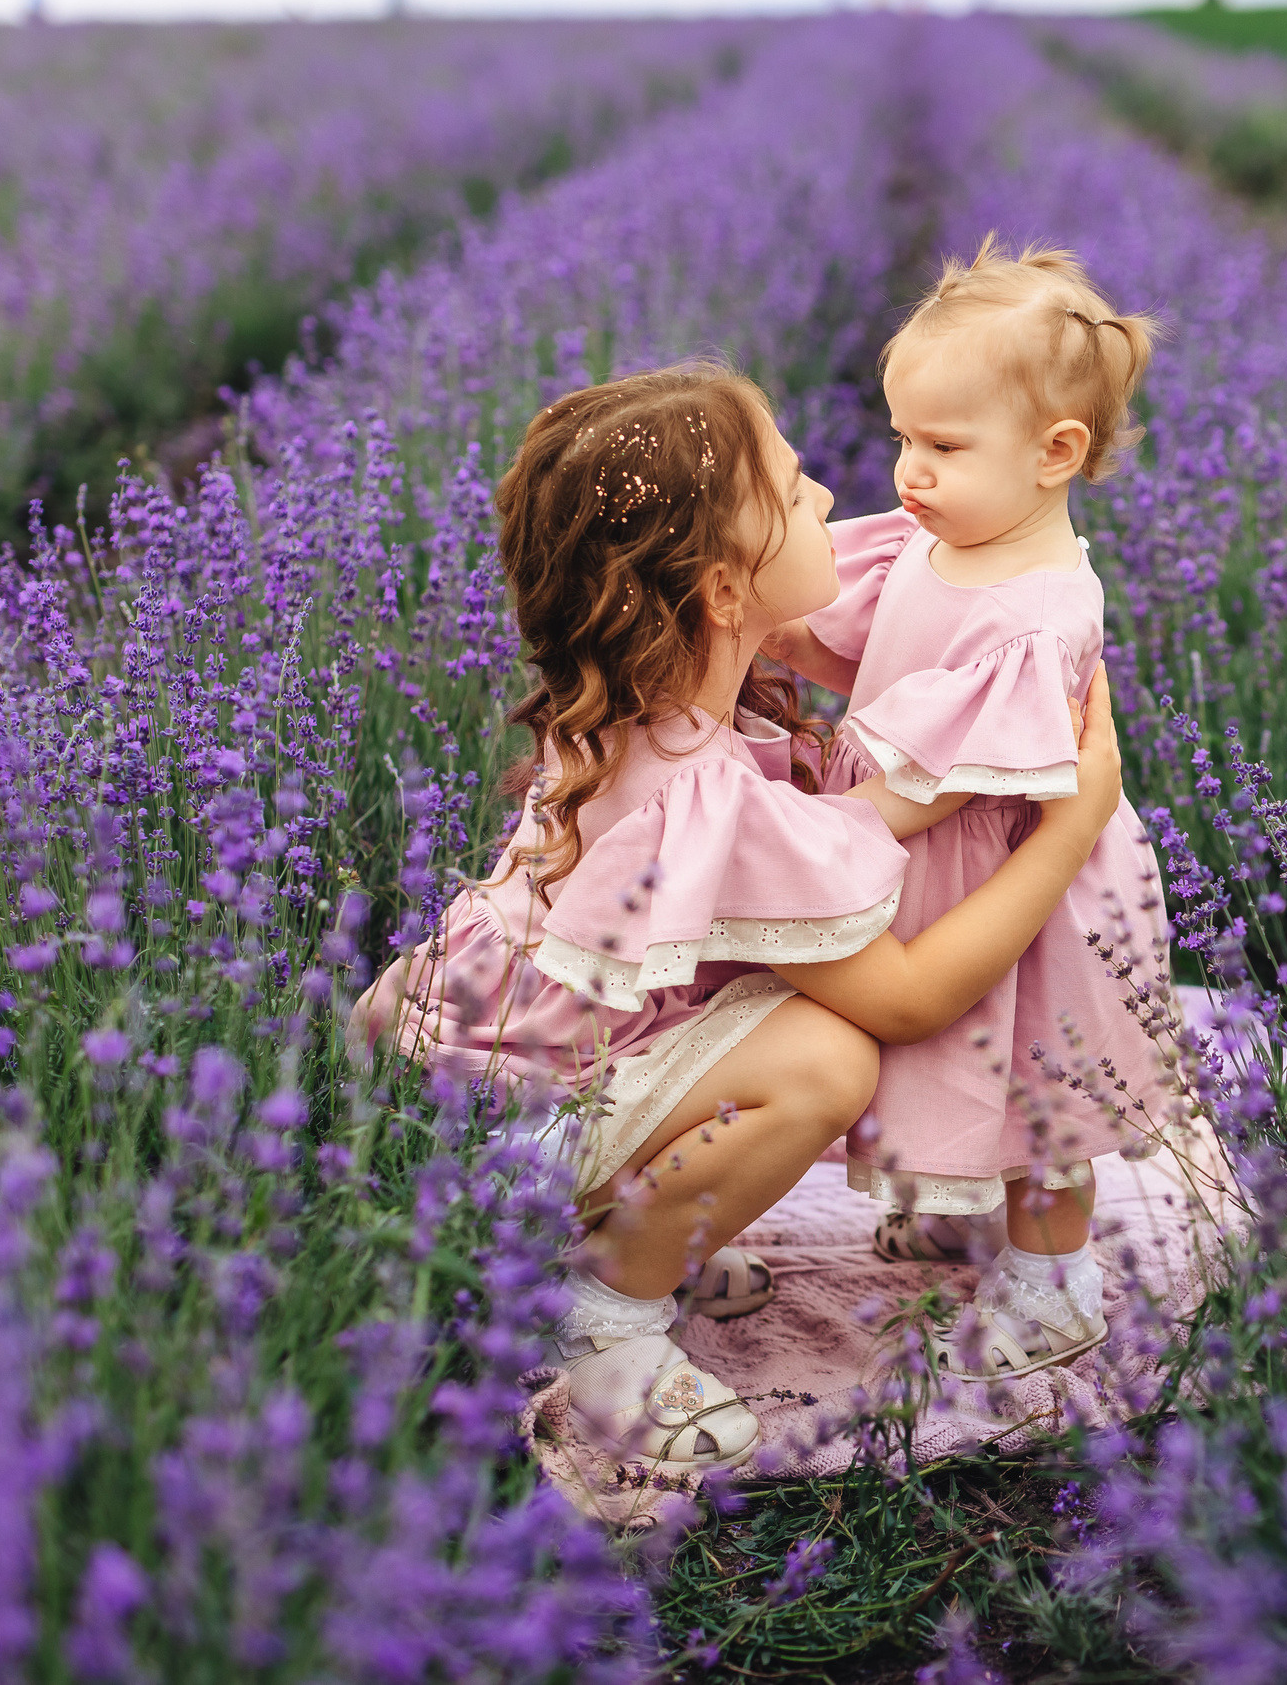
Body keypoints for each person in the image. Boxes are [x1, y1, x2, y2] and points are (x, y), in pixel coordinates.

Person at [356, 361, 1123, 1468]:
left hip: (479, 1061)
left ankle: (638, 1214)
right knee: (824, 1058)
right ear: (722, 592)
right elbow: (910, 999)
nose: (830, 497)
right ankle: (605, 1314)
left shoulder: (644, 709)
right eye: (799, 487)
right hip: (507, 1132)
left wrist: (943, 762)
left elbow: (838, 822)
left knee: (786, 1001)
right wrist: (1067, 826)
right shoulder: (699, 794)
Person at [759, 239, 1177, 1381]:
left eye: (943, 447)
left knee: (1034, 1085)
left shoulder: (1036, 614)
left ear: (1056, 454)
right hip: (940, 859)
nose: (910, 470)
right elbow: (863, 642)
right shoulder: (941, 541)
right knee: (955, 1058)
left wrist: (824, 832)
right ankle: (959, 1209)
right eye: (903, 438)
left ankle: (1053, 1285)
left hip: (1014, 882)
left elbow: (933, 784)